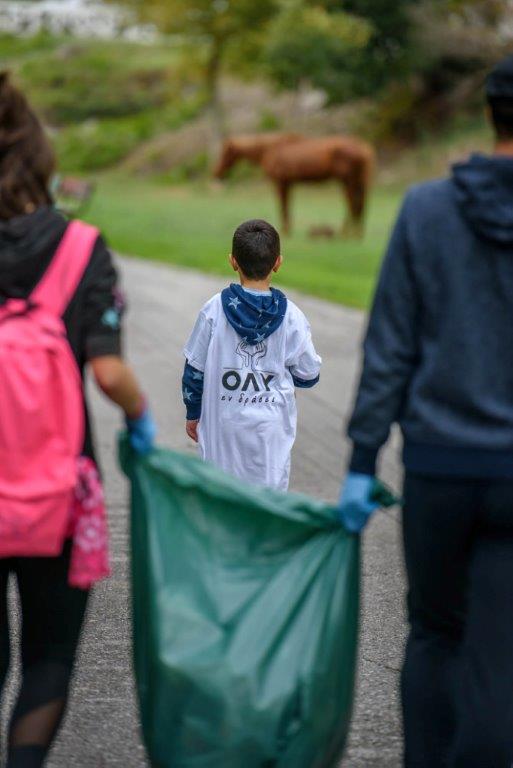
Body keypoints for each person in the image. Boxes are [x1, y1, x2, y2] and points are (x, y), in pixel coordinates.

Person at [339, 55, 513, 767]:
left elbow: (388, 348)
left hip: (439, 469)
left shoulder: (424, 210)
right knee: (501, 650)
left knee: (434, 635)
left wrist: (358, 460)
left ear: (489, 116)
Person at [0, 71, 156, 767]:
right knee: (49, 654)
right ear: (40, 158)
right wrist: (140, 413)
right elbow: (108, 371)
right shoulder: (79, 247)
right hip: (55, 493)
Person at [182, 219, 321, 491]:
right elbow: (309, 373)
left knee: (221, 497)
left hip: (223, 428)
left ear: (233, 261)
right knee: (267, 502)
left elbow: (194, 368)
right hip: (270, 435)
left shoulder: (213, 310)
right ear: (278, 262)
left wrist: (193, 412)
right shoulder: (292, 316)